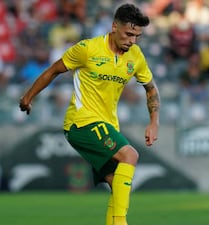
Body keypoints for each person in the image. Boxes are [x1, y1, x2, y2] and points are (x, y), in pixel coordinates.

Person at [19, 4, 160, 225]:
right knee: (130, 155)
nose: (132, 40)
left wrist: (154, 122)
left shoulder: (136, 56)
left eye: (137, 36)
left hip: (108, 125)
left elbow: (151, 88)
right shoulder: (88, 49)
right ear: (114, 27)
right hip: (81, 122)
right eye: (128, 34)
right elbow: (54, 70)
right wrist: (28, 96)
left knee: (119, 185)